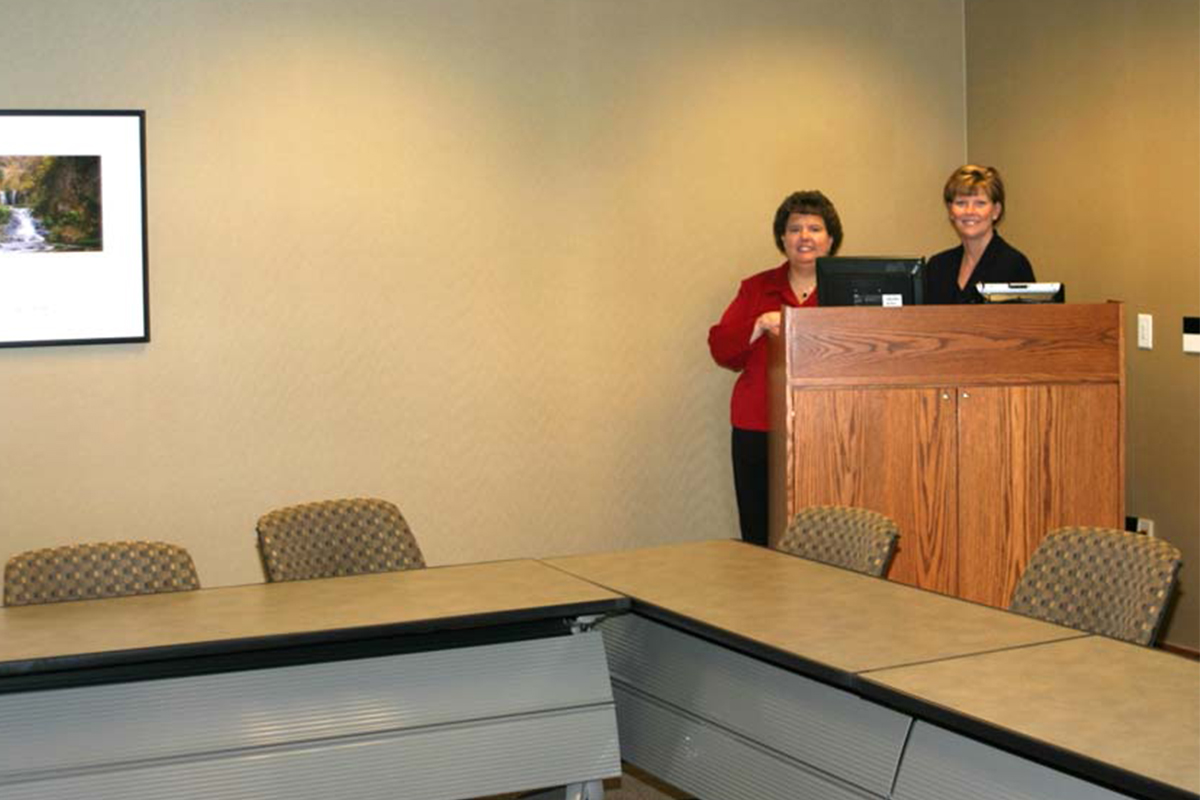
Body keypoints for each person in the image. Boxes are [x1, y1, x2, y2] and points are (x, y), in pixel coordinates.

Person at [707, 190, 842, 546]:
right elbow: (722, 349)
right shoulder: (756, 288)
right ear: (782, 238)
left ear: (831, 239)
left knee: (824, 534)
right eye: (795, 228)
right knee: (758, 534)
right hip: (758, 426)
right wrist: (758, 323)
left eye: (815, 228)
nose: (805, 237)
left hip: (830, 428)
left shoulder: (846, 289)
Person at [925, 165, 1035, 304]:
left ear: (996, 211)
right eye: (961, 203)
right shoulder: (937, 267)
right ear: (950, 211)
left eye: (980, 203)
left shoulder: (1014, 265)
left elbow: (1027, 323)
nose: (969, 211)